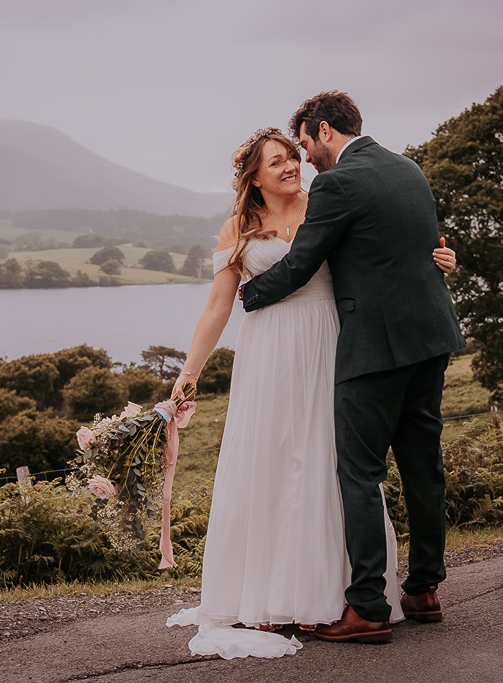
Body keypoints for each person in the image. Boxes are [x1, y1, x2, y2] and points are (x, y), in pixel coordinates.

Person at [165, 124, 457, 658]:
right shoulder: (236, 227)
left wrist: (440, 260)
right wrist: (189, 374)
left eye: (292, 156)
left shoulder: (325, 199)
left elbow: (382, 252)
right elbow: (217, 306)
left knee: (332, 465)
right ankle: (271, 597)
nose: (289, 165)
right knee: (273, 464)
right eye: (275, 161)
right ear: (252, 176)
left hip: (332, 345)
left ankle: (340, 592)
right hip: (268, 356)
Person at [240, 92, 466, 644]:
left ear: (323, 130)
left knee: (359, 473)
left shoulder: (338, 182)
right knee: (422, 465)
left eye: (307, 144)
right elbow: (407, 247)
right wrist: (446, 257)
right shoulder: (407, 168)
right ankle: (424, 589)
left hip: (375, 349)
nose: (307, 158)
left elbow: (301, 264)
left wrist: (249, 292)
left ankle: (366, 606)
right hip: (430, 339)